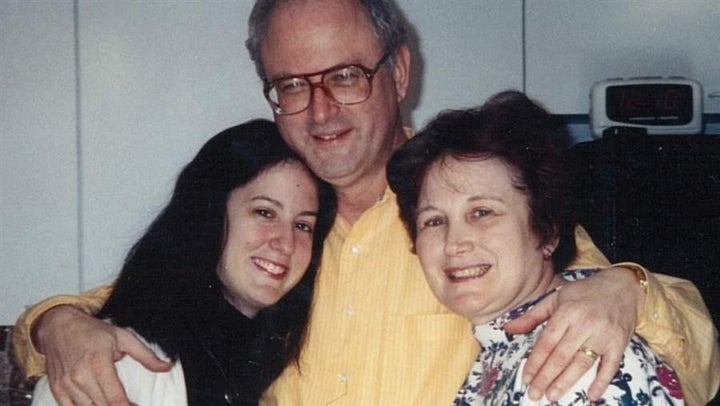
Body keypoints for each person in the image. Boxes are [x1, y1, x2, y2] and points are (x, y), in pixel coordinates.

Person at [12, 0, 719, 405]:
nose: (320, 110)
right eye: (292, 84)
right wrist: (58, 327)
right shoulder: (279, 226)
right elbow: (142, 300)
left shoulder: (468, 212)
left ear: (399, 71)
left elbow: (694, 360)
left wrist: (625, 288)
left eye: (345, 75)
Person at [387, 90, 685, 405]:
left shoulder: (578, 363)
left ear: (547, 231)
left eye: (482, 212)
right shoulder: (507, 352)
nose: (454, 244)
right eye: (434, 221)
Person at [30, 119, 337, 405]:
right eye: (265, 212)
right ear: (210, 214)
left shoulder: (283, 359)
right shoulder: (115, 364)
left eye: (302, 225)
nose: (285, 243)